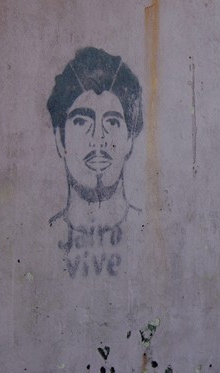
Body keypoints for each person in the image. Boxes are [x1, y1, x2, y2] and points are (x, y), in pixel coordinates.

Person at [47, 47, 143, 277]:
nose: (98, 138)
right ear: (60, 139)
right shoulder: (42, 236)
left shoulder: (147, 230)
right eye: (81, 122)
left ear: (129, 139)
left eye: (112, 122)